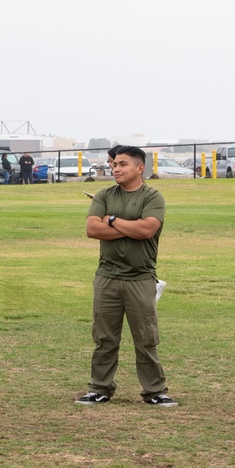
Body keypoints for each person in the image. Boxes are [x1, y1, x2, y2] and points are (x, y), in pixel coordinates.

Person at [75, 145, 176, 407]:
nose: (115, 168)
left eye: (122, 164)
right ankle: (100, 388)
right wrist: (128, 226)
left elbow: (147, 230)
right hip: (107, 276)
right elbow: (91, 229)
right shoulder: (104, 194)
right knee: (105, 338)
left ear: (140, 168)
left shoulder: (153, 197)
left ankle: (154, 392)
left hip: (140, 278)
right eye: (114, 164)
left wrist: (110, 220)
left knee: (146, 338)